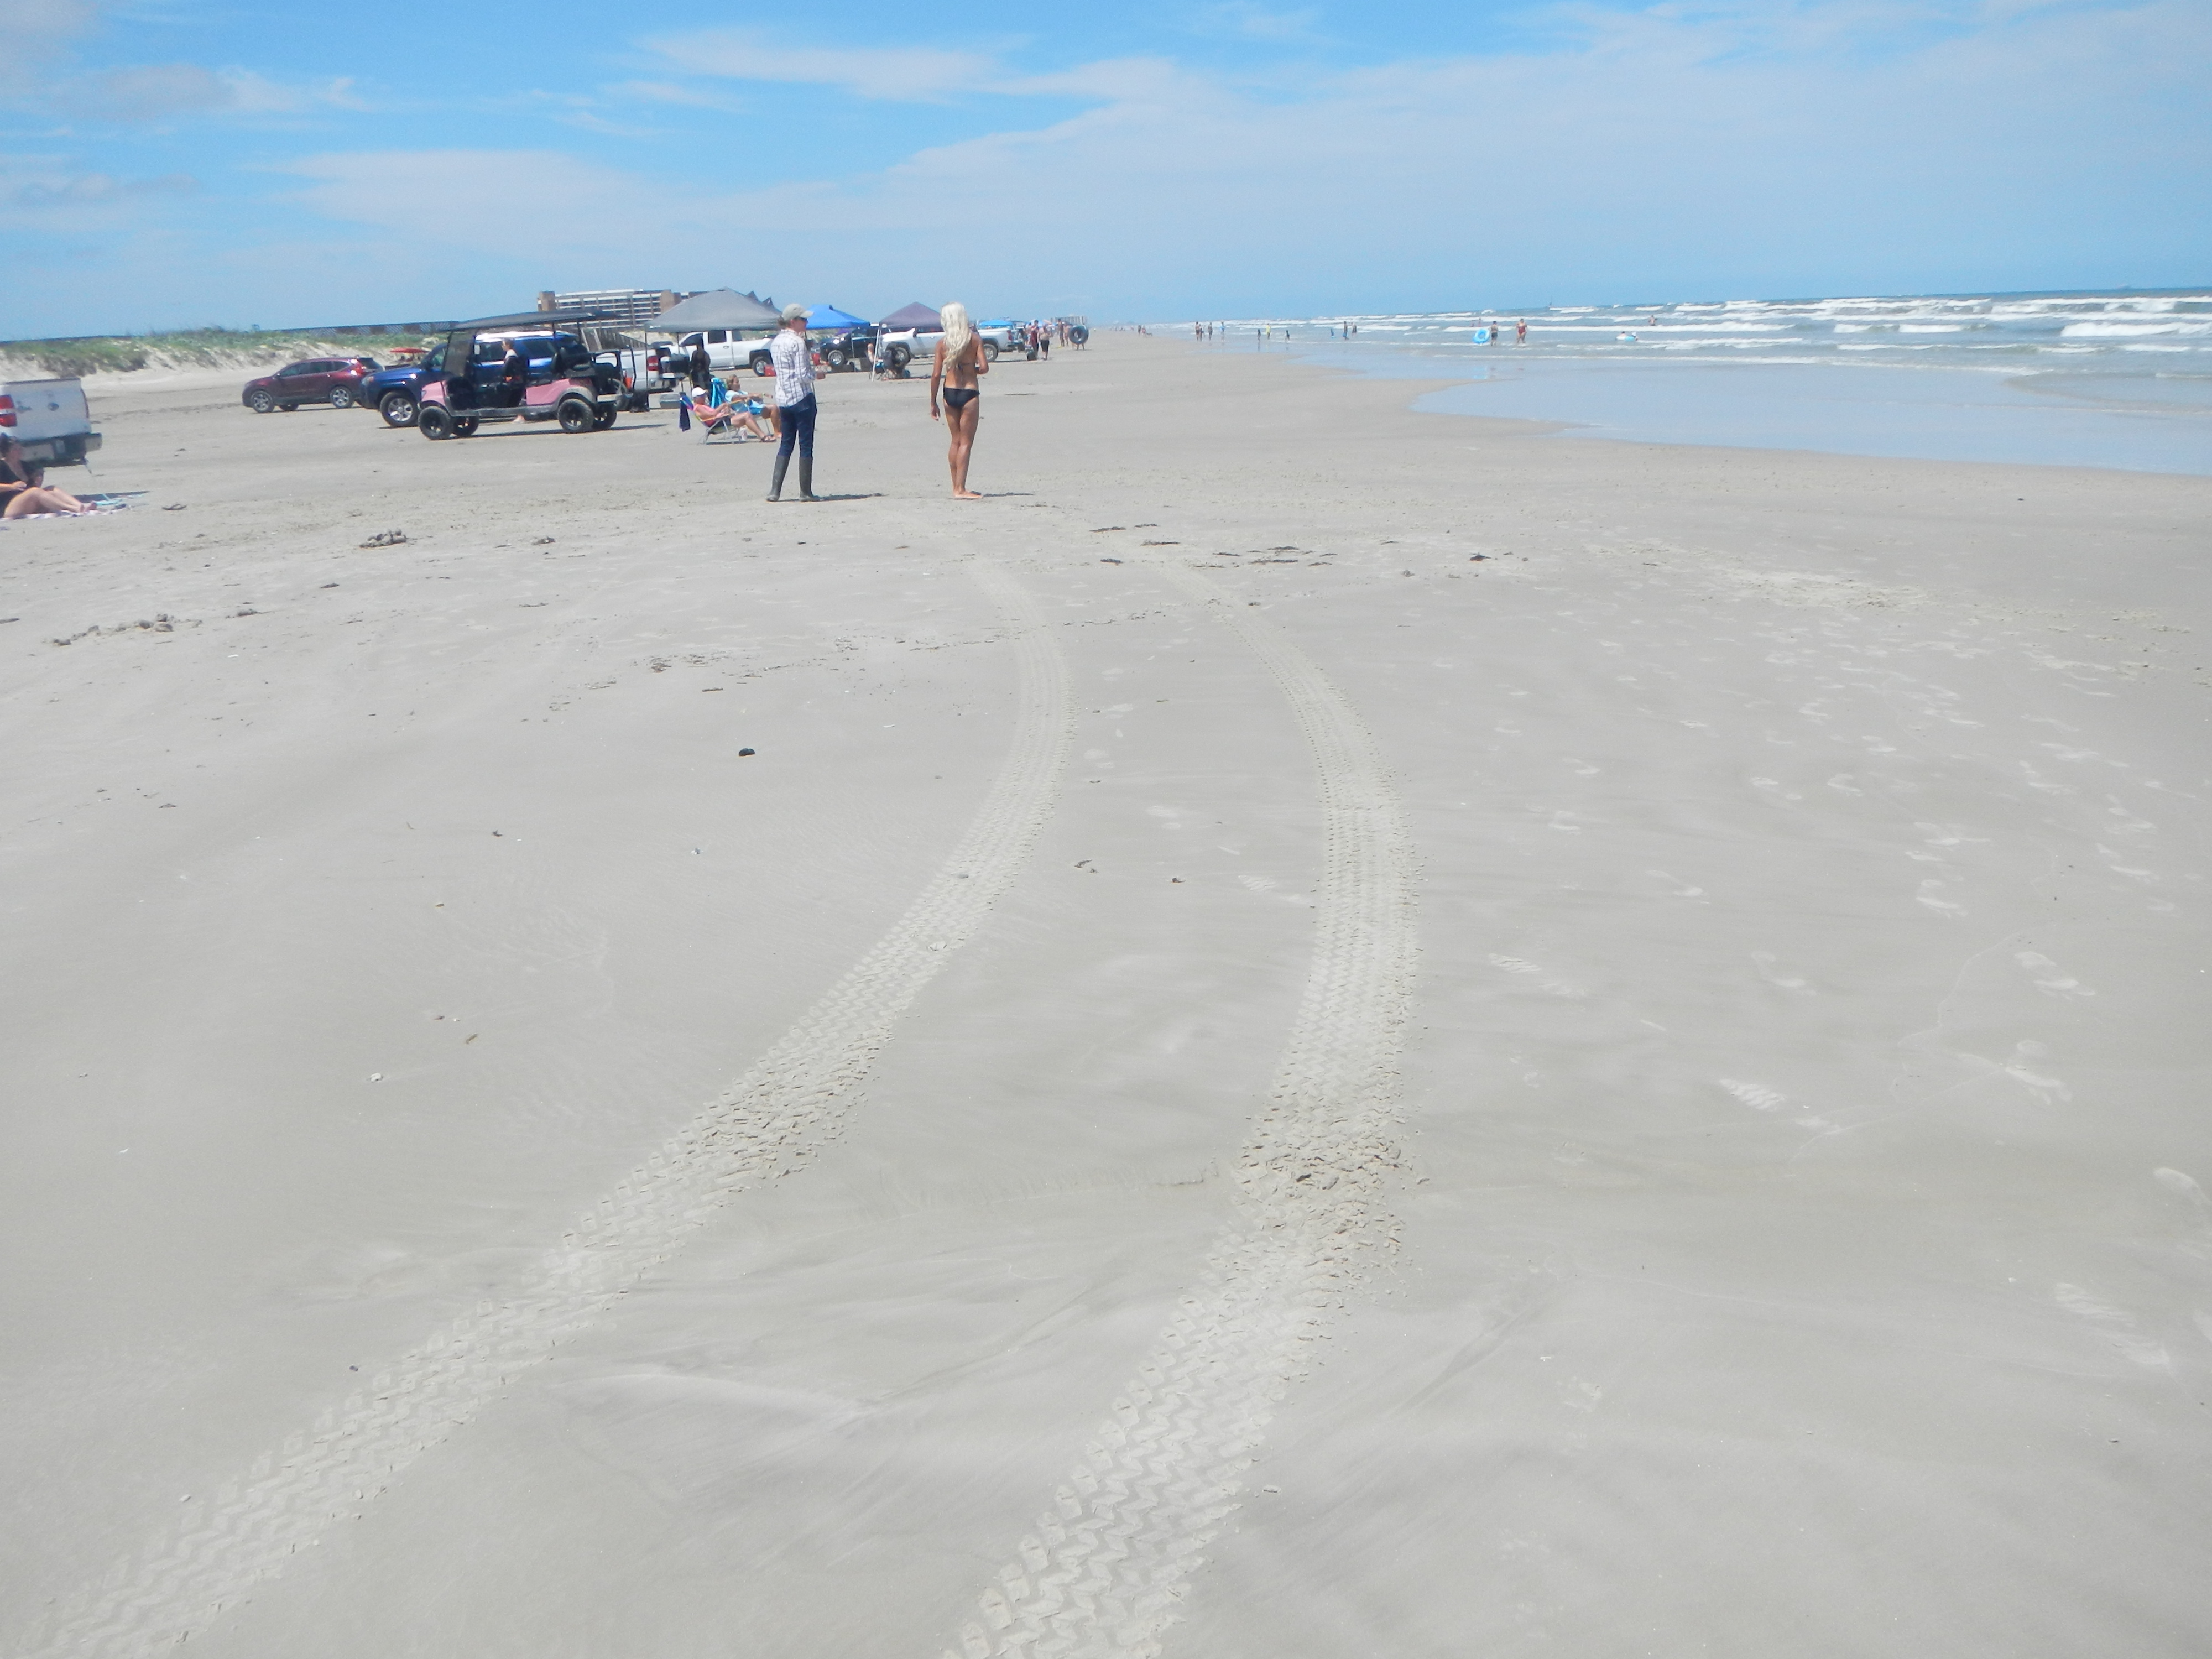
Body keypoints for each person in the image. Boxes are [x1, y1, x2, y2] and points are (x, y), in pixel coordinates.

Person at [930, 301, 989, 501]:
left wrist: (933, 402)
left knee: (955, 440)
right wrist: (971, 368)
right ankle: (960, 489)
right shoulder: (974, 340)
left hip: (949, 392)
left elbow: (936, 375)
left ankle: (955, 486)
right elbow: (984, 367)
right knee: (966, 442)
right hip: (969, 392)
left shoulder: (942, 344)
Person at [766, 304, 818, 502]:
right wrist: (817, 374)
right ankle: (805, 492)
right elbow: (804, 375)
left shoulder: (776, 342)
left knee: (786, 443)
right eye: (803, 320)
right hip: (801, 397)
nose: (806, 323)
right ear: (793, 322)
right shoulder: (797, 342)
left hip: (783, 398)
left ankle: (775, 491)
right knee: (806, 445)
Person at [0, 439, 90, 517]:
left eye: (20, 448)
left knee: (52, 488)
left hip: (27, 501)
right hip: (7, 506)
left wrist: (38, 478)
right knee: (34, 492)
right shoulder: (2, 465)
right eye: (16, 449)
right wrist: (12, 487)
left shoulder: (24, 465)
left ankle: (79, 506)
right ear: (7, 452)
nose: (20, 451)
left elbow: (34, 484)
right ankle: (72, 508)